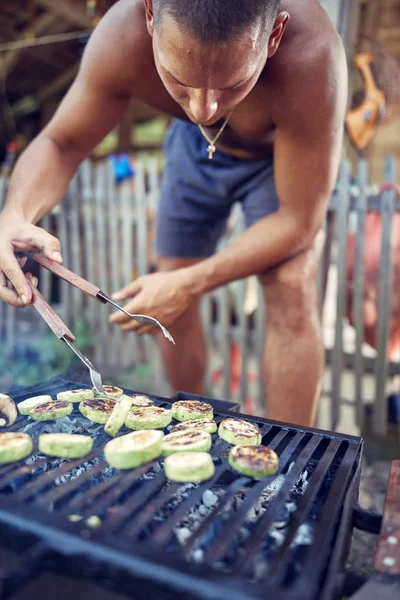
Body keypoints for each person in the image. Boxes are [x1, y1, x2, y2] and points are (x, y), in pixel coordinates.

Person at [0, 0, 347, 427]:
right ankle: (191, 425)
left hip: (281, 159)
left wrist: (190, 284)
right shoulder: (122, 37)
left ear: (273, 36)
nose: (204, 109)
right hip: (192, 150)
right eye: (179, 82)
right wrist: (13, 215)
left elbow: (299, 220)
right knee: (171, 282)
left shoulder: (312, 54)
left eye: (232, 84)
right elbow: (62, 143)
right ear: (150, 15)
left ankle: (294, 464)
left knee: (291, 286)